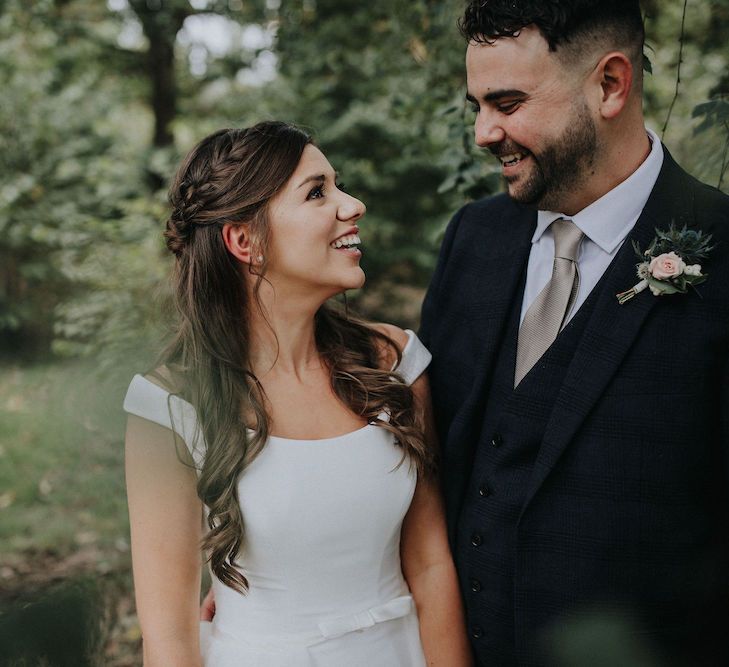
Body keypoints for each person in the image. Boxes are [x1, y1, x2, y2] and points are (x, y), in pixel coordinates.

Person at [419, 1, 729, 665]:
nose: (482, 131)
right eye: (477, 104)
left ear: (610, 84)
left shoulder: (723, 249)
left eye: (505, 102)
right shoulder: (472, 239)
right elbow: (430, 456)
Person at [123, 121, 472, 666]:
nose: (352, 205)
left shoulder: (395, 363)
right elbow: (168, 638)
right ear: (246, 241)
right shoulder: (168, 407)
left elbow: (430, 566)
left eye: (339, 185)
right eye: (317, 193)